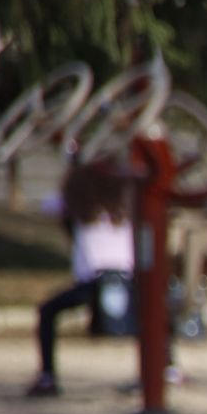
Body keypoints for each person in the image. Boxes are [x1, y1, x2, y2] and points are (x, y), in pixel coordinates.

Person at [26, 162, 135, 397]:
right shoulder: (122, 209)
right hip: (128, 279)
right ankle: (166, 366)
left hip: (94, 282)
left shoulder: (79, 207)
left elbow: (48, 204)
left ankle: (47, 376)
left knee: (47, 311)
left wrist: (69, 180)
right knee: (156, 314)